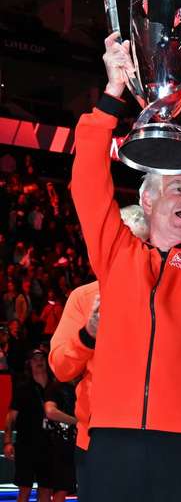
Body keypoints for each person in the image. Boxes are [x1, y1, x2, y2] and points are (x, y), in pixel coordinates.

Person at [70, 32, 181, 502]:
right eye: (178, 189)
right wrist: (111, 95)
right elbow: (88, 182)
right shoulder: (117, 254)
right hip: (112, 439)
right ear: (147, 199)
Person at [48, 205, 149, 488]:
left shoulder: (167, 295)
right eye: (126, 243)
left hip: (157, 441)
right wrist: (88, 335)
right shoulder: (84, 298)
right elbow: (60, 367)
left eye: (142, 245)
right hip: (96, 441)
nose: (133, 253)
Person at [5, 349, 53, 502]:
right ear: (29, 363)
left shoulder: (55, 387)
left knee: (46, 488)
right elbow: (11, 417)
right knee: (25, 489)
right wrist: (7, 441)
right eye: (35, 358)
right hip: (26, 445)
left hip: (50, 445)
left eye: (42, 358)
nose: (39, 361)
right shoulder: (23, 388)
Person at [44, 379, 76, 502]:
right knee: (61, 489)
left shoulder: (81, 386)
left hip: (75, 444)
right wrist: (77, 421)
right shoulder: (56, 388)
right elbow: (50, 412)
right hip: (63, 445)